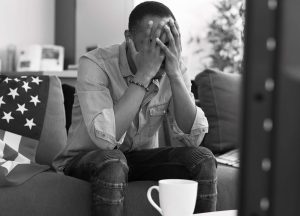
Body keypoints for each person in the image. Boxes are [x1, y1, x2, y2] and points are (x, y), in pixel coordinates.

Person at [54, 1, 217, 216]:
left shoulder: (172, 65)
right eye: (149, 44)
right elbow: (106, 141)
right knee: (113, 160)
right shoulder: (95, 63)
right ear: (128, 38)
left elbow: (193, 138)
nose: (157, 56)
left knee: (203, 158)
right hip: (86, 160)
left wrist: (176, 75)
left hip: (137, 160)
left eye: (165, 44)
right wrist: (143, 76)